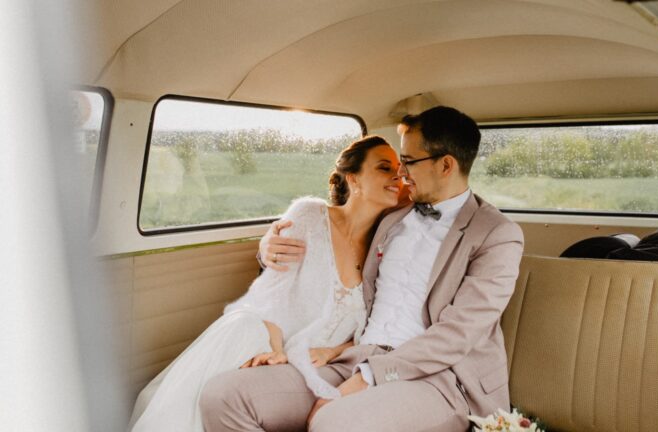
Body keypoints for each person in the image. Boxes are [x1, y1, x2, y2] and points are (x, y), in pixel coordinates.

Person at [199, 106, 525, 432]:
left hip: (439, 378)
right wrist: (268, 244)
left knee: (335, 423)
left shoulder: (496, 234)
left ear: (446, 165)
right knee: (224, 395)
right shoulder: (393, 216)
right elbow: (334, 229)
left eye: (409, 162)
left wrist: (372, 375)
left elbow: (459, 335)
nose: (401, 174)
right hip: (356, 357)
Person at [127, 135, 402, 432]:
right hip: (256, 336)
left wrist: (331, 353)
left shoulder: (386, 245)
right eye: (385, 168)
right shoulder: (310, 216)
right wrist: (277, 352)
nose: (397, 176)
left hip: (313, 361)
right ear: (354, 179)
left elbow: (378, 325)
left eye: (401, 169)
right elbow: (270, 295)